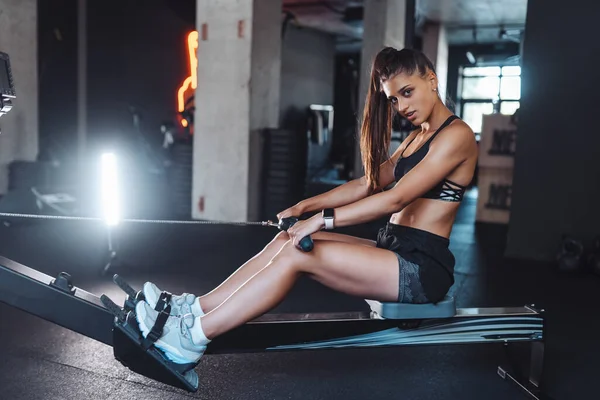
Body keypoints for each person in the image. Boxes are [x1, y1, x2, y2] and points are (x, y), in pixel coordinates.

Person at [134, 47, 478, 365]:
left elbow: (395, 197)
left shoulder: (456, 135)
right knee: (287, 240)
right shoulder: (418, 136)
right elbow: (368, 183)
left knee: (300, 253)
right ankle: (194, 309)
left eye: (407, 92)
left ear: (431, 80)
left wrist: (322, 221)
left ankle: (191, 339)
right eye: (393, 99)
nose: (401, 107)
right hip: (395, 248)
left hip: (420, 269)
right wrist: (303, 207)